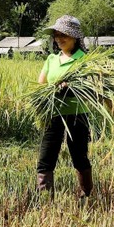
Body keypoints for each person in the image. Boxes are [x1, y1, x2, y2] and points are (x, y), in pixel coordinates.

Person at [35, 15, 92, 197]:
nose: (59, 39)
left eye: (64, 35)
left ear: (75, 37)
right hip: (54, 113)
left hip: (77, 113)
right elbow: (41, 85)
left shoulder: (84, 60)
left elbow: (91, 86)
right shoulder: (52, 59)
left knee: (79, 156)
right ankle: (45, 197)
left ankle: (86, 194)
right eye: (56, 35)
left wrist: (71, 88)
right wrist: (53, 90)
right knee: (46, 156)